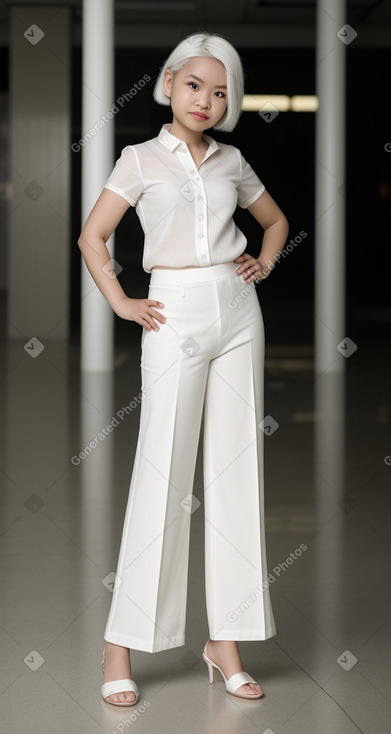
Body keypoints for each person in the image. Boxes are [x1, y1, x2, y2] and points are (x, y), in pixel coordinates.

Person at [77, 31, 289, 707]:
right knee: (162, 472)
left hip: (237, 309)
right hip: (172, 312)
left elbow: (274, 222)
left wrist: (266, 258)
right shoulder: (139, 159)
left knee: (235, 475)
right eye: (194, 84)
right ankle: (121, 645)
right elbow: (92, 235)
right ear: (167, 84)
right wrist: (120, 300)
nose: (206, 98)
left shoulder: (231, 160)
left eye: (219, 90)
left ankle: (223, 640)